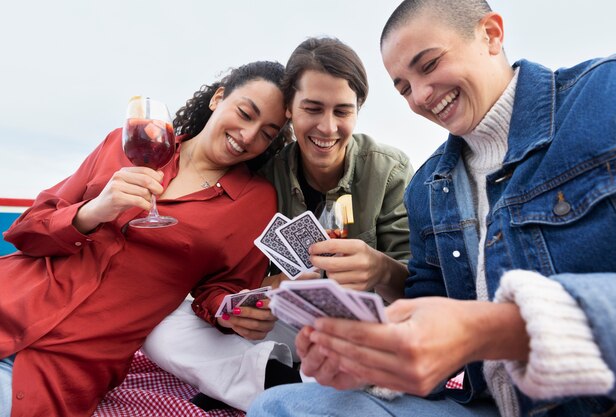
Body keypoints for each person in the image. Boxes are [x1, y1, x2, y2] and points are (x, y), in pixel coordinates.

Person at [247, 1, 616, 417]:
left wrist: (491, 330)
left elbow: (452, 323)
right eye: (404, 87)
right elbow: (425, 308)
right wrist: (377, 362)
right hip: (478, 401)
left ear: (492, 34)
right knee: (279, 407)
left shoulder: (611, 93)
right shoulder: (428, 186)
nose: (422, 97)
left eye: (428, 65)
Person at [0, 60, 288, 417]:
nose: (248, 136)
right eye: (245, 114)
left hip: (60, 367)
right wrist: (92, 212)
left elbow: (221, 293)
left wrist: (232, 315)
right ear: (218, 98)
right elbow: (27, 231)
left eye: (267, 133)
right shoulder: (125, 144)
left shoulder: (254, 201)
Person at [141, 36, 414, 412]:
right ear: (289, 111)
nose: (327, 127)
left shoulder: (389, 170)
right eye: (312, 109)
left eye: (342, 111)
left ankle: (281, 386)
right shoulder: (263, 177)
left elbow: (420, 291)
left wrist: (380, 268)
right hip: (296, 323)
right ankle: (285, 386)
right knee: (164, 326)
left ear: (358, 110)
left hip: (371, 329)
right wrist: (255, 300)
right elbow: (231, 280)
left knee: (372, 346)